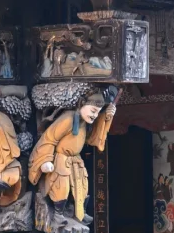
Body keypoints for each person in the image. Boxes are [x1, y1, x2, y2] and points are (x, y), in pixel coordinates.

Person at [29, 92, 116, 224]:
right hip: (61, 158)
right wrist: (45, 160)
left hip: (76, 160)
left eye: (97, 112)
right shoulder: (68, 119)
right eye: (93, 111)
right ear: (81, 104)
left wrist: (106, 117)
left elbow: (92, 139)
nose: (95, 115)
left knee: (82, 185)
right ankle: (58, 214)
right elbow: (49, 138)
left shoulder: (85, 122)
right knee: (61, 186)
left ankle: (80, 212)